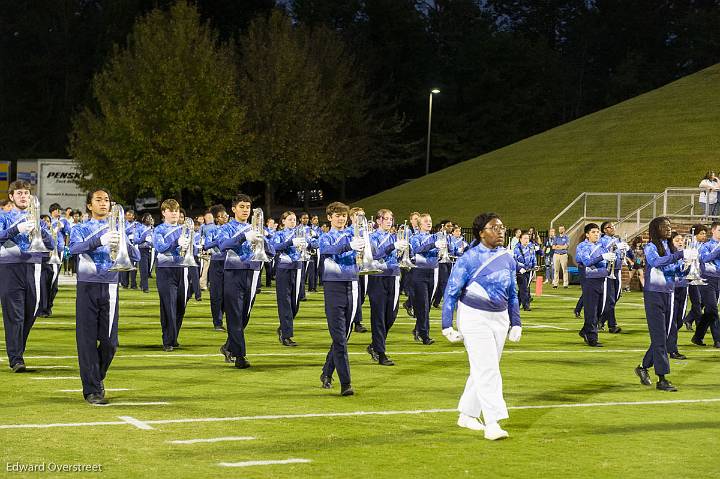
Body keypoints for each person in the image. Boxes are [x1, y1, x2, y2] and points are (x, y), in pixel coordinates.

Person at [442, 212, 521, 440]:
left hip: (500, 317)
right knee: (488, 369)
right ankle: (493, 422)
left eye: (502, 228)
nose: (500, 232)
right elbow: (451, 292)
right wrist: (447, 324)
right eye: (494, 228)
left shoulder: (507, 257)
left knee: (483, 367)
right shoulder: (469, 258)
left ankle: (466, 415)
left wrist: (515, 322)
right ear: (480, 232)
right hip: (474, 316)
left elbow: (513, 293)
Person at [69, 189, 140, 404]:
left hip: (110, 286)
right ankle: (92, 390)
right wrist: (98, 241)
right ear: (89, 205)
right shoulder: (80, 228)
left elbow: (135, 256)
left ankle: (95, 377)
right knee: (87, 341)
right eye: (98, 200)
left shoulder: (119, 227)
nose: (103, 203)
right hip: (87, 286)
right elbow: (73, 249)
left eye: (107, 200)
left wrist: (122, 239)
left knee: (110, 342)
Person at [0, 180, 55, 372]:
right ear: (11, 196)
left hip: (34, 267)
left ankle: (17, 351)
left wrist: (39, 231)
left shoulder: (37, 219)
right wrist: (18, 229)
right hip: (10, 268)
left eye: (26, 193)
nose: (24, 196)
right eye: (19, 193)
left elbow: (51, 244)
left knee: (31, 311)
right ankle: (16, 358)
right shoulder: (3, 216)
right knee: (14, 315)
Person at [634, 217, 693, 391]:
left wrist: (688, 266)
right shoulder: (651, 247)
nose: (668, 228)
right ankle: (662, 378)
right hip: (654, 295)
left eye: (669, 226)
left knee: (664, 338)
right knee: (660, 338)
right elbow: (656, 263)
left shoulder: (669, 247)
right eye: (664, 226)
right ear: (655, 228)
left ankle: (643, 368)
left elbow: (671, 270)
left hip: (669, 293)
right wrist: (679, 255)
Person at [217, 194, 275, 369]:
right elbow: (223, 245)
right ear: (233, 209)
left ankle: (228, 346)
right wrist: (244, 237)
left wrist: (262, 239)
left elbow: (271, 251)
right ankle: (240, 356)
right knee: (234, 315)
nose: (245, 210)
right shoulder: (226, 228)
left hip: (253, 273)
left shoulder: (256, 228)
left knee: (244, 316)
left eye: (248, 207)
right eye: (241, 206)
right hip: (233, 273)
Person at [319, 201, 364, 396]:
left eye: (343, 215)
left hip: (353, 285)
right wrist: (349, 245)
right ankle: (346, 383)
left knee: (343, 336)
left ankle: (327, 372)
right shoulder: (324, 237)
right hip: (333, 287)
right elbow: (330, 250)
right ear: (329, 218)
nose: (341, 218)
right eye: (337, 215)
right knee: (339, 338)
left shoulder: (354, 235)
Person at [367, 208, 408, 366]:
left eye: (391, 218)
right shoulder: (372, 237)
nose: (390, 221)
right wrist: (393, 247)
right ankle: (381, 352)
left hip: (393, 275)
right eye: (386, 218)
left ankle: (375, 345)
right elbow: (374, 254)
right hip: (377, 277)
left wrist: (402, 251)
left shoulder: (394, 237)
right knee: (378, 315)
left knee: (391, 315)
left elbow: (398, 257)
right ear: (378, 221)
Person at [153, 199, 194, 351]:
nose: (175, 214)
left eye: (176, 211)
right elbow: (160, 247)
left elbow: (193, 249)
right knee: (168, 306)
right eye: (171, 211)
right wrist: (176, 242)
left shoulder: (185, 229)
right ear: (164, 213)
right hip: (166, 269)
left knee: (180, 306)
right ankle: (168, 340)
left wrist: (194, 245)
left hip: (182, 269)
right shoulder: (159, 230)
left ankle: (174, 336)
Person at [271, 211, 309, 346]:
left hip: (298, 268)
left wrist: (309, 243)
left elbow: (312, 244)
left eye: (294, 219)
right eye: (290, 219)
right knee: (285, 302)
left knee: (295, 303)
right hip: (284, 269)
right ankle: (286, 335)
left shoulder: (301, 233)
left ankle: (283, 327)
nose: (293, 222)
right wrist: (289, 242)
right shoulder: (279, 234)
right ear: (283, 221)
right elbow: (275, 247)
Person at [575, 223, 615, 347]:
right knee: (591, 309)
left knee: (601, 308)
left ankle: (585, 330)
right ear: (587, 235)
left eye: (598, 232)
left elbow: (606, 261)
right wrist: (602, 256)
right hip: (589, 278)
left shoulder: (601, 246)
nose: (596, 234)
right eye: (593, 232)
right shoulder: (583, 246)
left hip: (601, 278)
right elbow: (587, 262)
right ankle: (592, 337)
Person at [409, 213, 444, 344]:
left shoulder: (435, 237)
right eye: (425, 221)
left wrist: (442, 250)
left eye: (430, 221)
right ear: (419, 224)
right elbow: (418, 249)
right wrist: (434, 245)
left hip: (432, 271)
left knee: (427, 304)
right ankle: (425, 335)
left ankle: (419, 328)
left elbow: (439, 253)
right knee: (423, 304)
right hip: (419, 272)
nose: (429, 223)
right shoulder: (415, 237)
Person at [691, 221, 720, 348]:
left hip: (718, 279)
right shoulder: (706, 246)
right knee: (713, 309)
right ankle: (718, 339)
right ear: (713, 231)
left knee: (709, 311)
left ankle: (698, 336)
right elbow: (705, 259)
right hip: (707, 279)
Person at [598, 222, 628, 334]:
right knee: (610, 299)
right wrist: (616, 246)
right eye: (610, 227)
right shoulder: (603, 240)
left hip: (617, 269)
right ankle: (612, 325)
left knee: (616, 297)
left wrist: (625, 250)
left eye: (613, 226)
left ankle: (601, 319)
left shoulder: (617, 239)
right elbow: (604, 250)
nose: (613, 228)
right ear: (605, 230)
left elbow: (621, 252)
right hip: (608, 270)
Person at [203, 204, 229, 331]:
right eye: (223, 216)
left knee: (228, 293)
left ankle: (228, 319)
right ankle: (217, 322)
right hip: (217, 262)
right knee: (216, 294)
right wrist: (217, 242)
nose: (226, 218)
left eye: (226, 215)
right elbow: (206, 245)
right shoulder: (212, 230)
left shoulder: (231, 228)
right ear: (217, 218)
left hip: (230, 263)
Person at [666, 232, 688, 360]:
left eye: (681, 240)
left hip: (683, 287)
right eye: (677, 240)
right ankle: (672, 349)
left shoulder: (685, 254)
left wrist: (690, 263)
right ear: (671, 242)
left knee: (679, 320)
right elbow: (671, 269)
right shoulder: (670, 255)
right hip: (672, 288)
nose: (680, 242)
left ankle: (668, 343)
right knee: (673, 321)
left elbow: (687, 272)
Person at [682, 224, 707, 330]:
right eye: (702, 233)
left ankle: (690, 321)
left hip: (698, 275)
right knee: (696, 302)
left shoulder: (703, 245)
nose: (704, 236)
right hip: (687, 275)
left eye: (705, 233)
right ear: (695, 234)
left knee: (698, 301)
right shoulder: (689, 243)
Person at [513, 232, 536, 311]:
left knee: (524, 288)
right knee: (524, 289)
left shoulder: (531, 247)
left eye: (527, 238)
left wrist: (535, 265)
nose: (526, 240)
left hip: (529, 271)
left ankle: (516, 305)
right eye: (525, 238)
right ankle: (526, 306)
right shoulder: (516, 249)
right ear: (520, 239)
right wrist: (519, 268)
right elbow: (514, 261)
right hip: (521, 272)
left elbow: (533, 257)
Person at [133, 213, 155, 293]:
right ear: (144, 219)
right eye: (148, 218)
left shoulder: (152, 229)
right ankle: (145, 288)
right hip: (142, 250)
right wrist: (144, 238)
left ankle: (142, 284)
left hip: (151, 250)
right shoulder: (139, 228)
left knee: (148, 270)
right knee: (144, 270)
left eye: (151, 218)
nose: (150, 219)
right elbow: (135, 240)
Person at [119, 209, 138, 289]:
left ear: (133, 216)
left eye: (130, 215)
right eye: (127, 215)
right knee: (124, 265)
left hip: (133, 247)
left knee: (134, 266)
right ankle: (124, 283)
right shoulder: (122, 225)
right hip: (124, 247)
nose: (129, 216)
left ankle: (133, 284)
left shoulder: (137, 225)